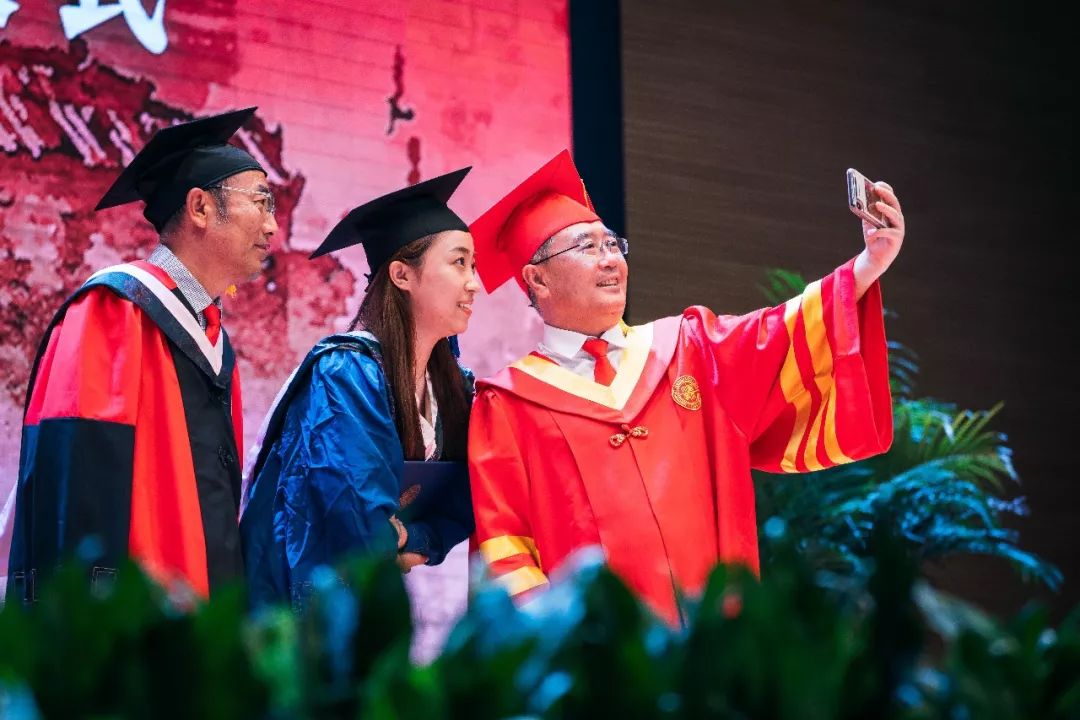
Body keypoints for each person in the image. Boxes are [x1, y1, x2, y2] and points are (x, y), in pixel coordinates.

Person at [466, 150, 902, 624]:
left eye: (613, 244)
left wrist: (868, 264)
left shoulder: (690, 347)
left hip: (708, 641)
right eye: (587, 248)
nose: (611, 260)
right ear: (538, 279)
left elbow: (779, 333)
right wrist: (548, 641)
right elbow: (503, 546)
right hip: (599, 654)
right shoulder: (507, 403)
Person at [5, 107, 277, 602]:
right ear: (199, 207)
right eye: (261, 202)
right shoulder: (113, 311)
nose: (272, 225)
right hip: (131, 617)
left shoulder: (213, 338)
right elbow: (79, 486)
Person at [240, 168, 478, 609]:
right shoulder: (346, 373)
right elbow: (354, 510)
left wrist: (417, 537)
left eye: (473, 265)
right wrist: (395, 539)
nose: (473, 283)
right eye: (459, 262)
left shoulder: (452, 387)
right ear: (401, 275)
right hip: (309, 598)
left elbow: (465, 497)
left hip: (368, 592)